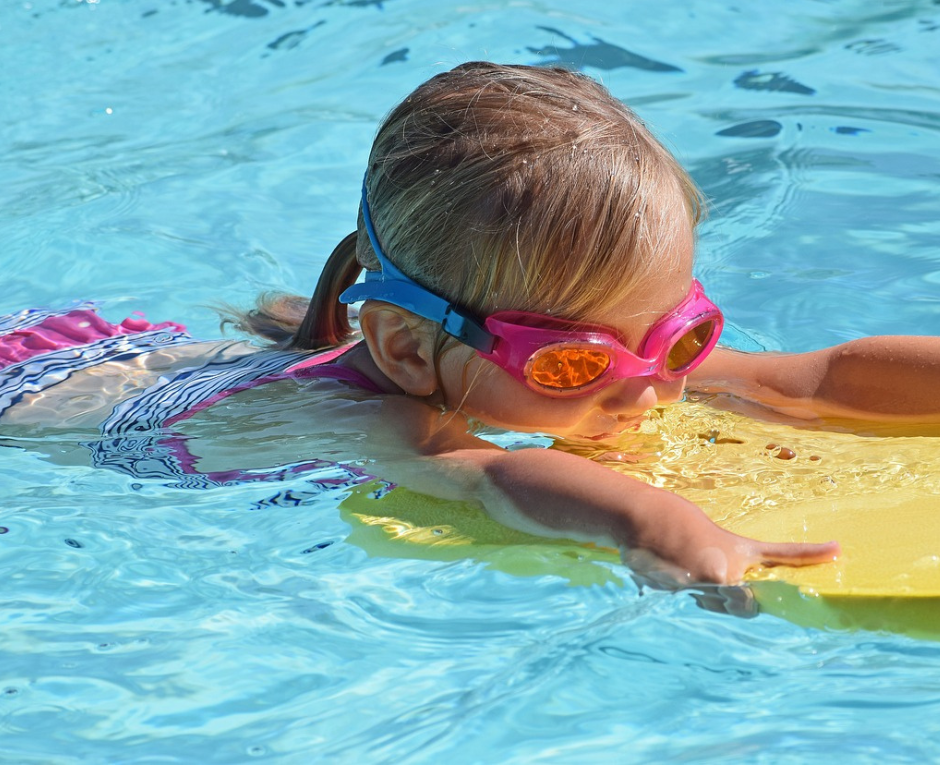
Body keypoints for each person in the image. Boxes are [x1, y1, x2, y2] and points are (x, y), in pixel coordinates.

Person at [3, 62, 940, 586]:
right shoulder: (376, 421)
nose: (651, 385)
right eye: (574, 366)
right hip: (45, 404)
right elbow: (487, 477)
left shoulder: (624, 364)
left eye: (681, 334)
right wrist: (657, 524)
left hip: (140, 356)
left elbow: (813, 381)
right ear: (409, 352)